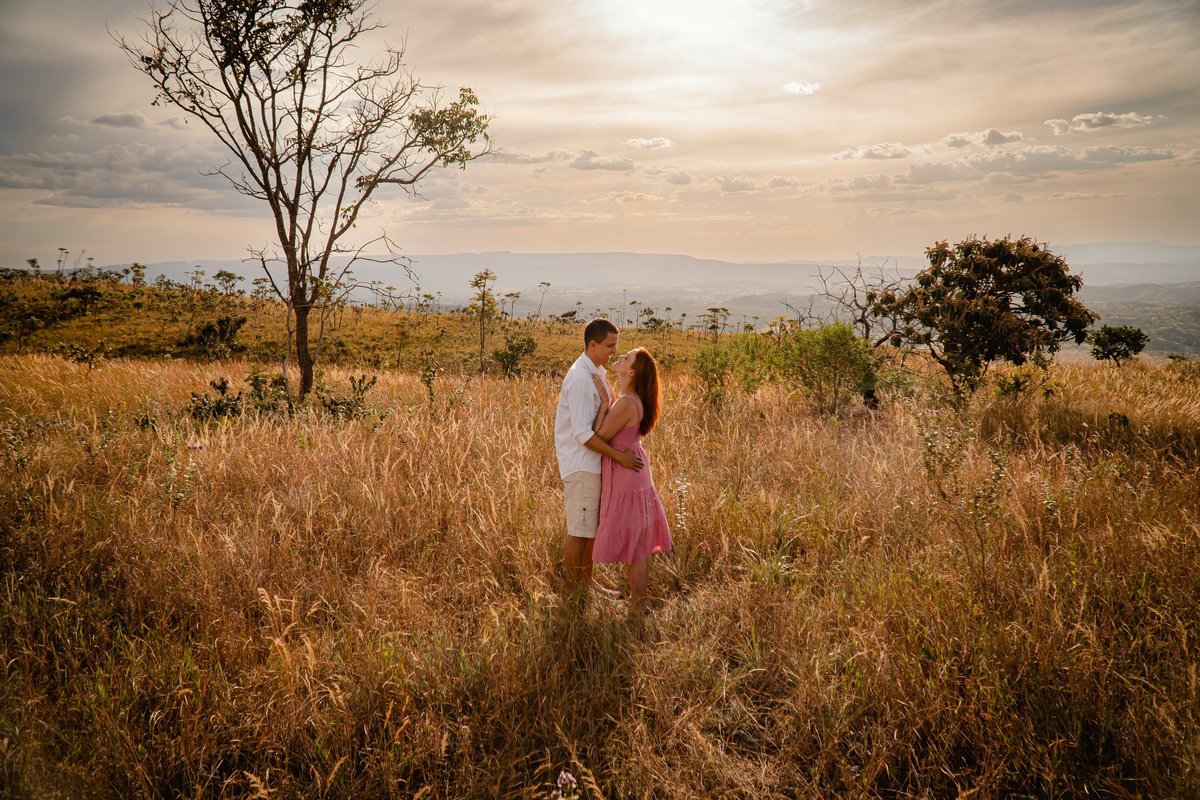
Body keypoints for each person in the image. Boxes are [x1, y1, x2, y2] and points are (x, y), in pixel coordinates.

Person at [554, 319, 644, 593]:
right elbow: (583, 434)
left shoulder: (597, 371)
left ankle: (587, 586)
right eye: (609, 345)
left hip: (594, 465)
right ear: (593, 345)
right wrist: (619, 457)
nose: (614, 351)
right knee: (578, 532)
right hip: (582, 466)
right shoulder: (582, 378)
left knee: (589, 530)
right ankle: (574, 592)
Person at [589, 347, 672, 614]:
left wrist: (604, 403)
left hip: (627, 474)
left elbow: (599, 435)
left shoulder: (626, 402)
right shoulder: (630, 399)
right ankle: (642, 600)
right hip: (634, 470)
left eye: (626, 358)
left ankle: (639, 604)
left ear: (632, 371)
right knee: (640, 540)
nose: (620, 358)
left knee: (636, 543)